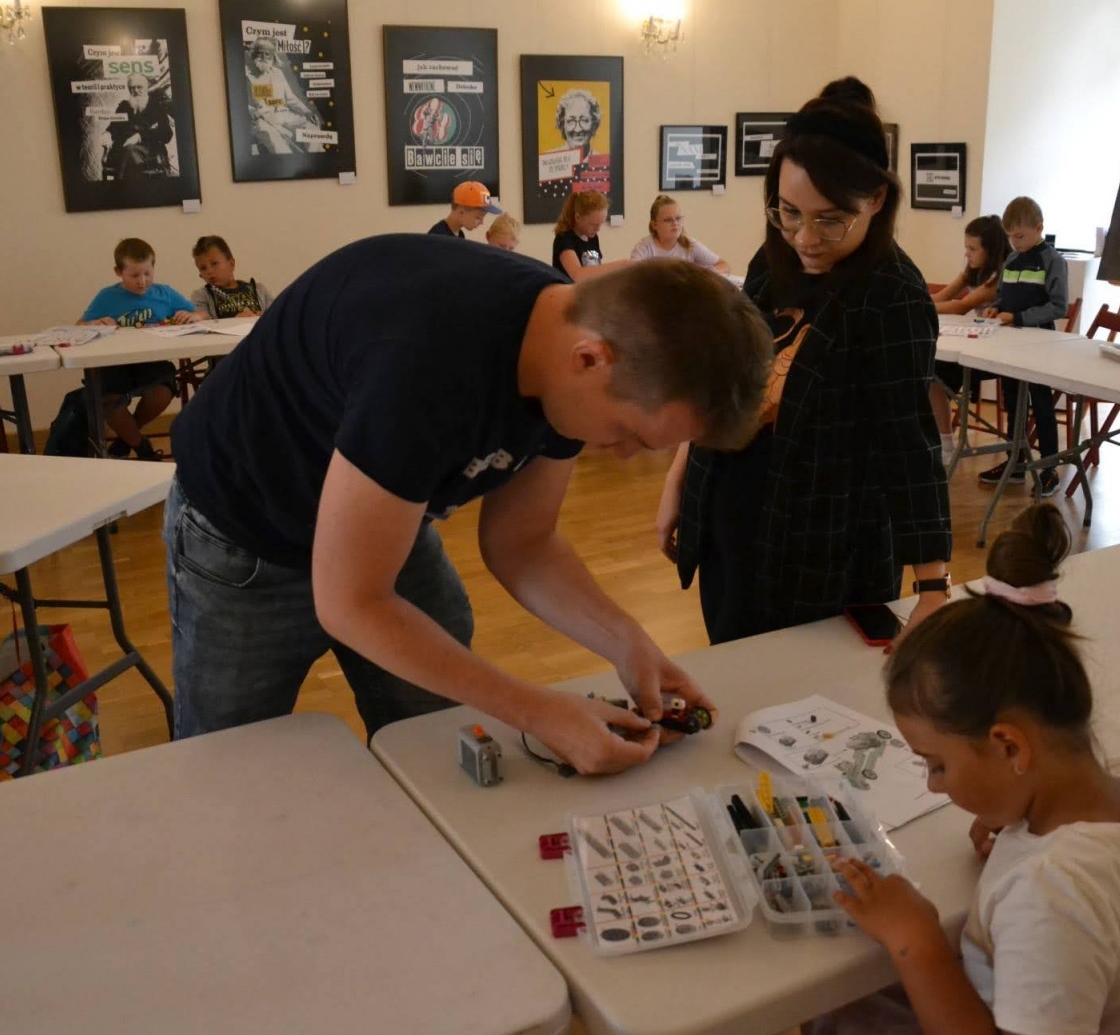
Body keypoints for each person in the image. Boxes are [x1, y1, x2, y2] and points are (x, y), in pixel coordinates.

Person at [165, 235, 773, 776]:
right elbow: (350, 601)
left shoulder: (580, 352)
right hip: (241, 536)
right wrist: (537, 710)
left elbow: (523, 544)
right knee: (227, 769)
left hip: (385, 513)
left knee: (437, 740)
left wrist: (630, 644)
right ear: (589, 360)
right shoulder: (427, 363)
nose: (622, 456)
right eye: (630, 433)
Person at [805, 504, 1120, 1035]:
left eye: (936, 764)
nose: (935, 786)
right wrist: (1028, 821)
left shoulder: (1051, 893)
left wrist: (915, 940)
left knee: (837, 1019)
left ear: (1011, 747)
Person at [658, 76, 952, 645]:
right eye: (789, 212)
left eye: (830, 218)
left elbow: (908, 442)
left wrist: (932, 588)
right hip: (733, 519)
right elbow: (727, 380)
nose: (806, 238)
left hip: (823, 547)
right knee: (735, 676)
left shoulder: (893, 295)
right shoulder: (774, 260)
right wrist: (678, 478)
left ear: (877, 200)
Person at [978, 196, 1071, 496]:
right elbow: (1004, 296)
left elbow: (1058, 307)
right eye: (1011, 237)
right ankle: (1015, 462)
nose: (1015, 243)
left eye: (1020, 236)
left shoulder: (1053, 261)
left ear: (1039, 228)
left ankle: (1049, 469)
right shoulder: (1012, 260)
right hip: (1011, 345)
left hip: (1040, 345)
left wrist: (1018, 316)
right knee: (1013, 400)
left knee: (1042, 405)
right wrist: (996, 308)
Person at [78, 237, 202, 460]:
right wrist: (91, 324)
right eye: (134, 275)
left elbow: (200, 315)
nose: (142, 281)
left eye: (147, 273)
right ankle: (143, 448)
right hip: (115, 363)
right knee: (107, 399)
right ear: (118, 272)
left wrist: (193, 315)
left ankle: (127, 438)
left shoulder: (165, 293)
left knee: (164, 389)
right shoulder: (107, 297)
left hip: (153, 361)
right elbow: (79, 326)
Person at [930, 215, 1010, 463]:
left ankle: (944, 443)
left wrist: (920, 304)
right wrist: (920, 300)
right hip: (976, 344)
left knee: (934, 375)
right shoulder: (973, 272)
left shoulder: (999, 277)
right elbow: (944, 296)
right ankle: (941, 438)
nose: (967, 254)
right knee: (930, 372)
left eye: (973, 249)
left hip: (994, 351)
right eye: (966, 248)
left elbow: (960, 307)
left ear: (991, 250)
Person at [535, 86, 612, 209]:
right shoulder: (547, 164)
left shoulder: (606, 164)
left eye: (584, 120)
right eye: (571, 121)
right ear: (562, 124)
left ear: (594, 123)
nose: (577, 129)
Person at [244, 38, 320, 155]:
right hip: (263, 120)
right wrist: (251, 110)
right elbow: (238, 103)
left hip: (285, 115)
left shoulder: (278, 73)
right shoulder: (247, 76)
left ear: (273, 57)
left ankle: (314, 161)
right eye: (260, 53)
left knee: (311, 129)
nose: (263, 57)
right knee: (277, 144)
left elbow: (291, 99)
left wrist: (307, 112)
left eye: (267, 54)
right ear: (254, 55)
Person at [630, 195, 730, 271]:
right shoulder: (644, 248)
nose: (675, 223)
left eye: (678, 218)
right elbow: (631, 275)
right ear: (654, 225)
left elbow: (723, 265)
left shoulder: (690, 245)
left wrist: (707, 275)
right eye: (668, 220)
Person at [104, 72, 174, 180]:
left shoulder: (157, 106)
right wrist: (107, 135)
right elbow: (113, 128)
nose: (136, 91)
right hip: (123, 150)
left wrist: (140, 136)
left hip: (150, 152)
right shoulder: (124, 106)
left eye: (139, 87)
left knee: (130, 153)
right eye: (132, 88)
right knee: (128, 152)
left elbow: (166, 134)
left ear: (146, 88)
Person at [190, 235, 274, 319]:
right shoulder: (201, 296)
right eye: (203, 268)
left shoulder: (259, 290)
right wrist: (235, 321)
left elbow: (277, 317)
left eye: (214, 263)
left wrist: (263, 317)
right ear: (201, 276)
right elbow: (202, 322)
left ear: (231, 264)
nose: (209, 271)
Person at [552, 190, 629, 280]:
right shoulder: (564, 239)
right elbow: (577, 274)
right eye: (593, 224)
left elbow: (596, 270)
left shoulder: (593, 237)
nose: (598, 229)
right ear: (578, 217)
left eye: (601, 224)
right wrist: (622, 264)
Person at [429, 180, 502, 238]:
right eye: (478, 217)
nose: (481, 223)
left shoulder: (459, 235)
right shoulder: (438, 237)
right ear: (461, 213)